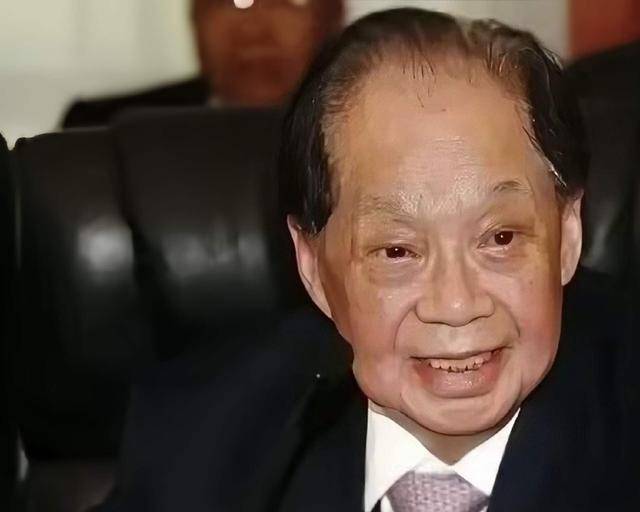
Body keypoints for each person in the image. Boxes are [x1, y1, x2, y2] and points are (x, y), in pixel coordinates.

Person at [95, 9, 639, 512]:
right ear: (313, 266)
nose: (456, 305)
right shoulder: (201, 442)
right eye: (397, 251)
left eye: (500, 238)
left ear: (567, 235)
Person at [61, 0, 344, 128]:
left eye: (285, 2)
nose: (254, 28)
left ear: (332, 17)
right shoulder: (101, 134)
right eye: (227, 1)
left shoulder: (363, 135)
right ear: (195, 20)